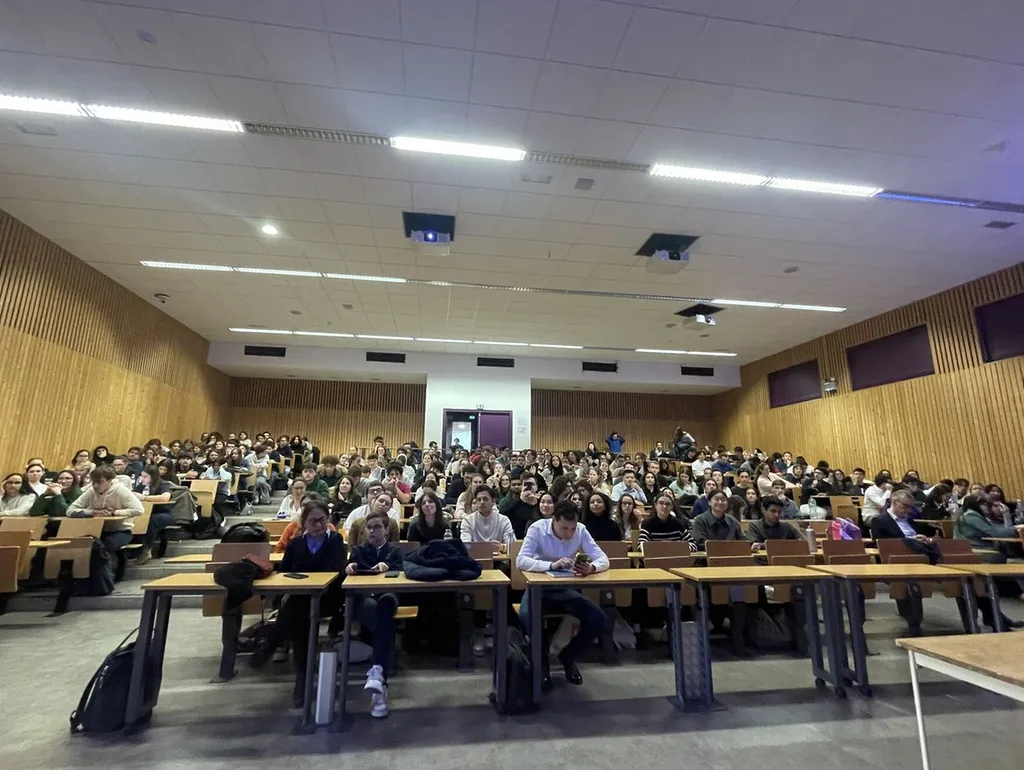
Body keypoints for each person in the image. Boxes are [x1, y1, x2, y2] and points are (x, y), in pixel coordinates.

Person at [517, 500, 609, 689]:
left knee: (599, 619)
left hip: (565, 591)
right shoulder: (537, 529)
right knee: (528, 618)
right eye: (564, 528)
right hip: (538, 590)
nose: (569, 534)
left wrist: (591, 567)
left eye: (572, 528)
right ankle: (542, 666)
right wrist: (550, 565)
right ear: (553, 520)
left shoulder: (581, 530)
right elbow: (521, 560)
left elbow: (603, 558)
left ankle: (568, 656)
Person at [267, 500, 347, 706]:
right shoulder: (296, 544)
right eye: (313, 521)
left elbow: (336, 571)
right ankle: (303, 675)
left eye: (322, 520)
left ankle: (273, 643)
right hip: (301, 598)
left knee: (294, 611)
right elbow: (284, 571)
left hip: (329, 598)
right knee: (299, 614)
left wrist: (308, 574)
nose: (318, 525)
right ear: (304, 523)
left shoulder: (335, 541)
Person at [344, 509, 403, 717]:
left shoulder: (394, 551)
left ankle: (378, 676)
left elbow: (401, 572)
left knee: (385, 604)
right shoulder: (359, 551)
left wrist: (388, 568)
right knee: (376, 611)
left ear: (386, 530)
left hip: (387, 597)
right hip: (365, 600)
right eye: (369, 528)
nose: (372, 531)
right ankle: (379, 679)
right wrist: (349, 567)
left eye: (377, 527)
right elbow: (350, 569)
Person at [690, 489, 755, 655]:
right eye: (716, 499)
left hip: (732, 567)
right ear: (710, 502)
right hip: (708, 568)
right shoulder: (701, 520)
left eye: (723, 500)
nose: (720, 502)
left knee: (746, 590)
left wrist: (750, 544)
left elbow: (743, 540)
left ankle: (741, 637)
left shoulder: (732, 521)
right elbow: (699, 542)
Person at [870, 490, 938, 636]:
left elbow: (921, 537)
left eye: (910, 507)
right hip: (895, 561)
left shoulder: (909, 520)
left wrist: (926, 540)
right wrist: (910, 542)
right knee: (911, 584)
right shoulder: (879, 520)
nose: (908, 510)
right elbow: (880, 545)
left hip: (919, 558)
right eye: (905, 506)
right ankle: (915, 625)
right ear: (894, 503)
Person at [67, 466, 143, 557]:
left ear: (110, 480)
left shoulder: (121, 491)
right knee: (86, 545)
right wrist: (93, 512)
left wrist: (115, 512)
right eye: (93, 482)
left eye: (100, 482)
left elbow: (139, 510)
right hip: (97, 530)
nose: (95, 485)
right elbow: (70, 510)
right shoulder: (91, 491)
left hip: (121, 530)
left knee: (106, 546)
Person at [130, 464, 177, 564]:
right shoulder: (141, 485)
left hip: (164, 513)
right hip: (145, 513)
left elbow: (165, 497)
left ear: (153, 476)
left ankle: (146, 550)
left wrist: (145, 498)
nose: (143, 479)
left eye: (145, 477)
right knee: (137, 519)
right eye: (142, 476)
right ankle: (134, 550)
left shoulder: (163, 484)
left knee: (151, 521)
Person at [459, 486, 515, 550]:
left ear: (493, 501)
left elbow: (512, 545)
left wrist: (501, 547)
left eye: (485, 499)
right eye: (479, 499)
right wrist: (486, 547)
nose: (482, 502)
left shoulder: (504, 520)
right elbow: (466, 545)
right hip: (475, 558)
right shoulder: (468, 521)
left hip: (499, 558)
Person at [498, 473, 540, 538]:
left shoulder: (542, 502)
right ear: (522, 487)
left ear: (536, 486)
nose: (528, 487)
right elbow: (504, 518)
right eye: (525, 485)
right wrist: (520, 500)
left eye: (531, 484)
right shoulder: (516, 505)